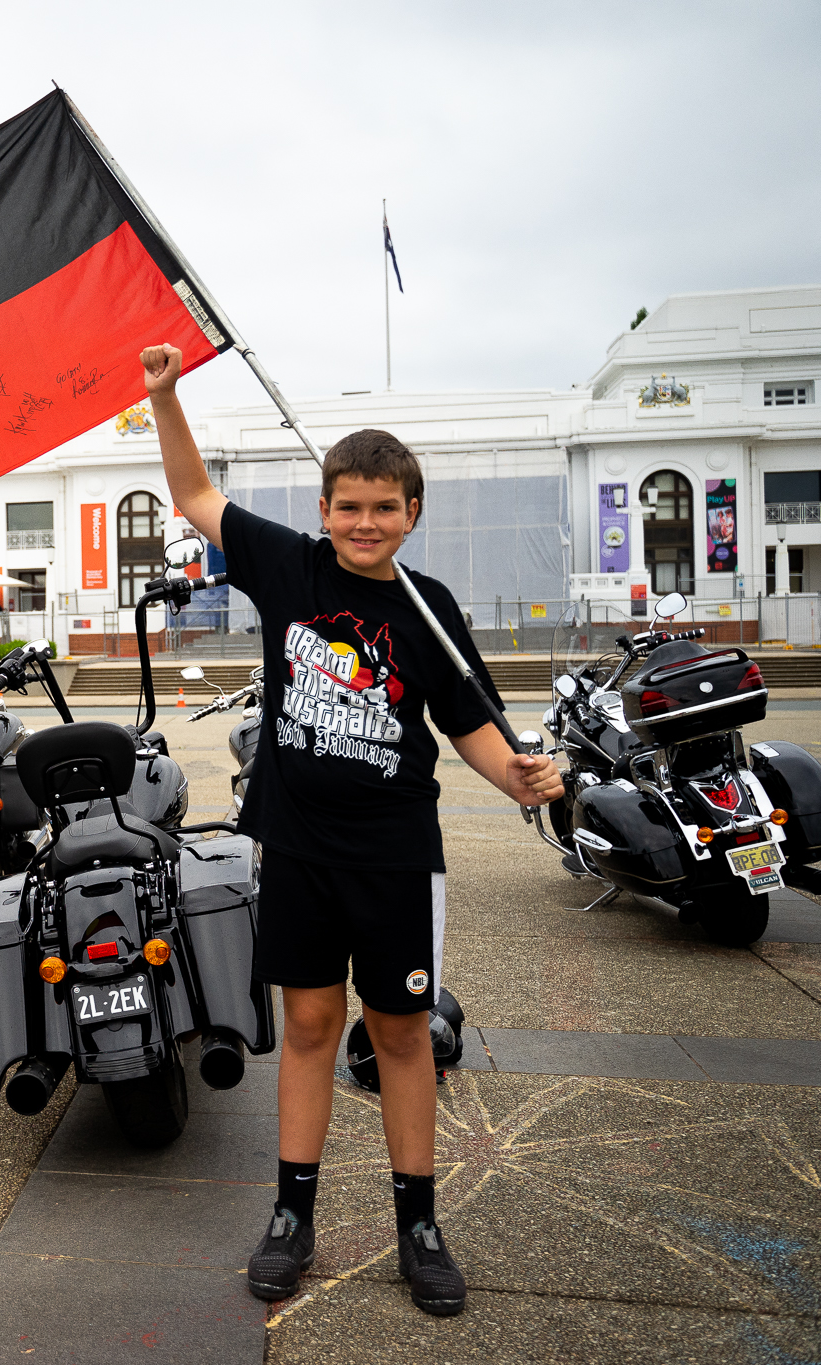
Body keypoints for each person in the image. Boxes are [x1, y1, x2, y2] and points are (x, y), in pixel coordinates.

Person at [141, 342, 562, 1317]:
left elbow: (471, 732)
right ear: (322, 508)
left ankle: (417, 1222)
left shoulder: (428, 608)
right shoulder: (285, 568)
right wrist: (165, 397)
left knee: (402, 1034)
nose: (364, 522)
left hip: (392, 859)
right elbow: (192, 491)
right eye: (347, 505)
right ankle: (291, 1214)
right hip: (294, 847)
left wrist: (520, 781)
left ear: (411, 513)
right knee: (306, 1026)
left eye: (383, 507)